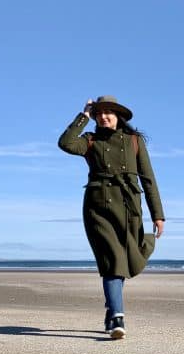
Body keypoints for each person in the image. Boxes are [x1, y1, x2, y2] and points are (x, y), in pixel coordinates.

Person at [58, 95, 165, 339]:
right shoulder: (90, 141)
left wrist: (158, 214)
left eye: (108, 112)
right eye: (98, 114)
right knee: (112, 261)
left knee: (123, 261)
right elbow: (65, 143)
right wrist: (83, 116)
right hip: (99, 209)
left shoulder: (134, 141)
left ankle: (111, 310)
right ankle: (117, 316)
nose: (103, 117)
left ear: (118, 116)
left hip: (129, 208)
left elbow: (148, 179)